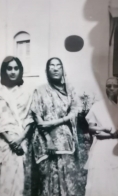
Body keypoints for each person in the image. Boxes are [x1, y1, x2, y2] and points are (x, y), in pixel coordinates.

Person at [26, 57, 79, 196]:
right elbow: (38, 118)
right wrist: (49, 140)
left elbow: (75, 111)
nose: (55, 68)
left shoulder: (70, 90)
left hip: (66, 144)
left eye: (58, 66)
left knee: (67, 179)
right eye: (52, 66)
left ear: (63, 70)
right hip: (45, 143)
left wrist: (59, 120)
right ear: (47, 70)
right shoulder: (40, 90)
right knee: (48, 179)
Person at [0, 56, 33, 196]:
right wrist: (10, 140)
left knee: (16, 182)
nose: (12, 71)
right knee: (0, 181)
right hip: (1, 142)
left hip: (20, 141)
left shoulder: (26, 93)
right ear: (4, 71)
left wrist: (20, 138)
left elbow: (30, 118)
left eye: (16, 68)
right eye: (9, 68)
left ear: (20, 71)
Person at [84, 77, 118, 196]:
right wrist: (107, 133)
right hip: (101, 148)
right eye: (108, 86)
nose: (111, 88)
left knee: (115, 182)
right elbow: (91, 128)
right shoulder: (97, 106)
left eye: (114, 86)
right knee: (99, 180)